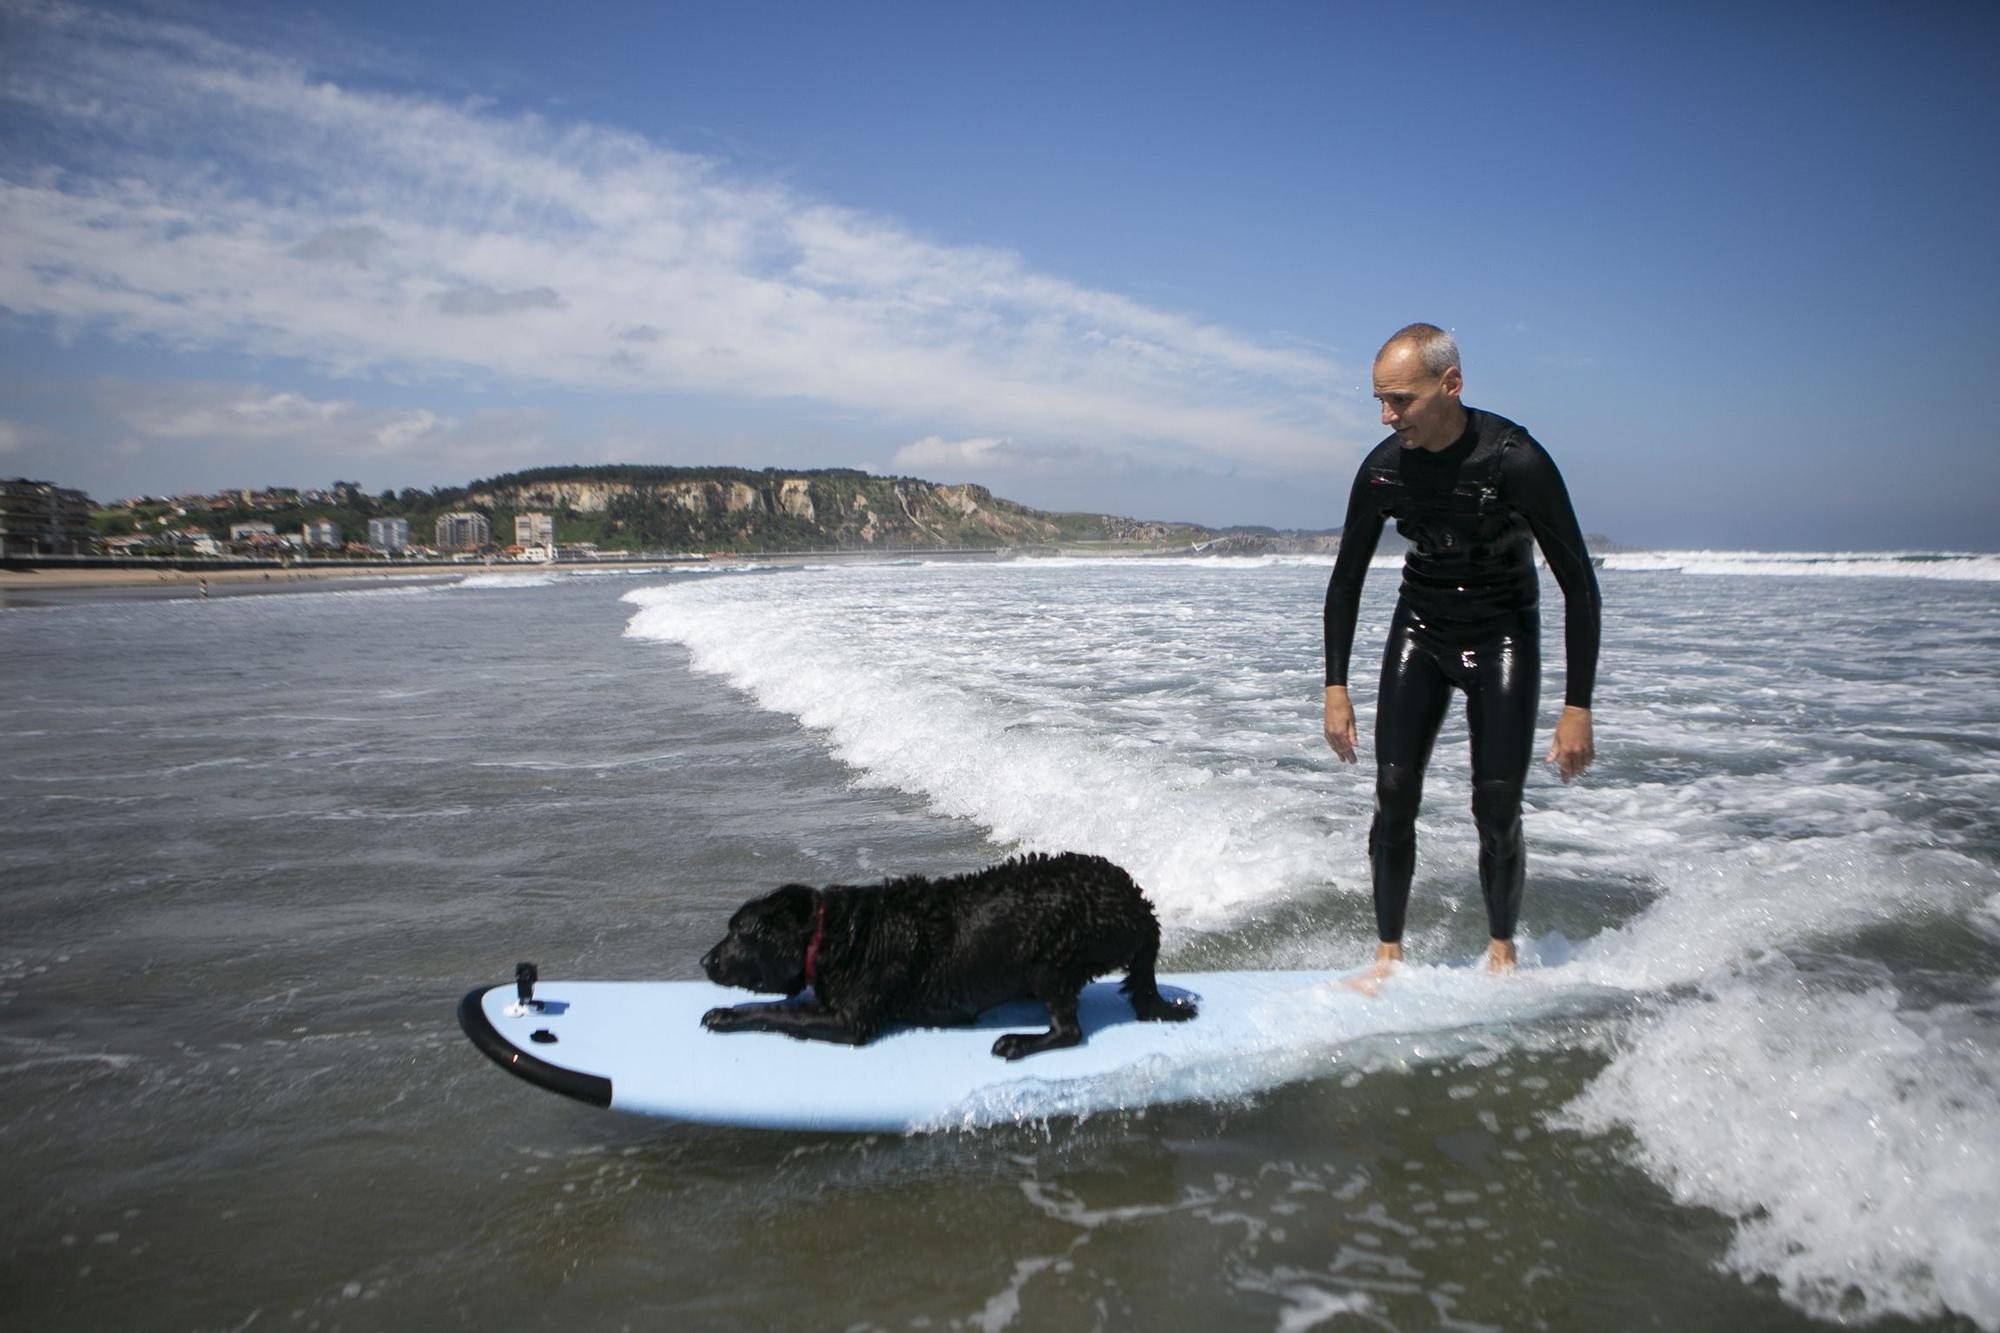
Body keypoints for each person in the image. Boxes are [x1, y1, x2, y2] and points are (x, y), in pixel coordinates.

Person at [1322, 323, 1600, 985]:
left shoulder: (1517, 460)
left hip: (1504, 632)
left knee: (1497, 807)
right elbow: (1346, 579)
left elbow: (1579, 585)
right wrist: (1336, 686)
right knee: (1393, 792)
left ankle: (1501, 948)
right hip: (1421, 629)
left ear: (1451, 384)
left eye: (1401, 400)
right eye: (1380, 403)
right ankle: (1388, 952)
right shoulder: (1384, 468)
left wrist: (1577, 706)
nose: (1388, 416)